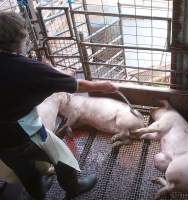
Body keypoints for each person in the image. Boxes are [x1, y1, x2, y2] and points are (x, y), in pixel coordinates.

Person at [0, 12, 117, 199]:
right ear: (17, 40)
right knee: (62, 155)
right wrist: (102, 86)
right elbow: (72, 84)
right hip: (22, 132)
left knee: (23, 169)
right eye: (25, 35)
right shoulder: (27, 68)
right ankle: (73, 187)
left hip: (2, 140)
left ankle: (37, 194)